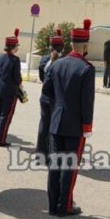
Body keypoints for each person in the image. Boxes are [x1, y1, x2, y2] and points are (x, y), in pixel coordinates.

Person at [42, 18, 95, 217]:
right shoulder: (86, 69)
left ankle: (52, 204)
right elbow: (87, 102)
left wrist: (52, 115)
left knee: (55, 165)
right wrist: (87, 127)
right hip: (75, 125)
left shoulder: (56, 64)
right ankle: (64, 205)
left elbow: (46, 95)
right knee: (69, 167)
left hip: (56, 122)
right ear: (86, 45)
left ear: (71, 43)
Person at [37, 29, 65, 161]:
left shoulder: (44, 60)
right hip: (57, 99)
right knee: (53, 128)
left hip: (44, 97)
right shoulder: (64, 62)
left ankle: (40, 154)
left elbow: (42, 78)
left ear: (50, 46)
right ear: (62, 47)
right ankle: (50, 155)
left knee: (43, 125)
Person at [0, 29, 22, 147]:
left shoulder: (0, 57)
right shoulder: (15, 60)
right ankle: (1, 140)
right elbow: (16, 78)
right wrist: (20, 84)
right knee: (6, 115)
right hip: (8, 90)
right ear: (14, 46)